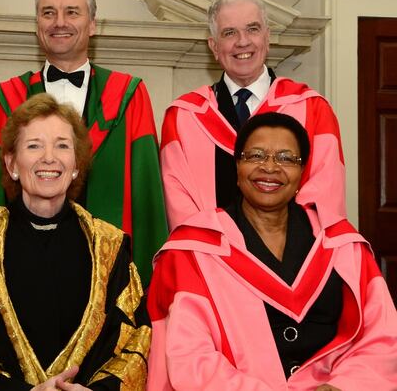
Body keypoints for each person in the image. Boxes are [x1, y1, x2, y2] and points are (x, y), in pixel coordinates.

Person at [147, 112, 397, 390]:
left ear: (302, 173)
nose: (269, 167)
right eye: (255, 156)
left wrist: (342, 386)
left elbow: (382, 336)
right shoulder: (192, 251)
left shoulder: (342, 245)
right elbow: (189, 356)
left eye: (286, 158)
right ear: (238, 166)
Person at [0, 94, 151, 390]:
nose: (49, 157)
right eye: (34, 145)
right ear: (11, 163)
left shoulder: (111, 249)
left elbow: (133, 343)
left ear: (76, 164)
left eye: (62, 145)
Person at [0, 0, 167, 286]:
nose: (59, 22)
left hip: (110, 275)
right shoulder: (4, 100)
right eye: (48, 13)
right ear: (37, 24)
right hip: (24, 273)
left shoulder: (131, 96)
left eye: (72, 12)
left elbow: (147, 201)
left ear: (92, 24)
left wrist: (147, 287)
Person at [160, 0, 345, 233]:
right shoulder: (184, 117)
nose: (243, 41)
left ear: (267, 38)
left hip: (293, 253)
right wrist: (214, 248)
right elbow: (179, 203)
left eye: (253, 29)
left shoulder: (313, 109)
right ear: (214, 46)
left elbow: (325, 196)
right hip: (210, 252)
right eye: (229, 33)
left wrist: (283, 246)